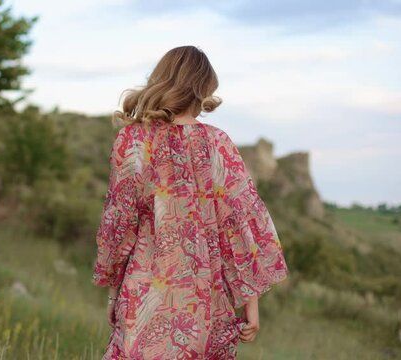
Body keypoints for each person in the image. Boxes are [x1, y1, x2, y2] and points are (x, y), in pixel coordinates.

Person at [91, 45, 289, 359]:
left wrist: (114, 295)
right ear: (203, 89)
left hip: (143, 295)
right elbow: (242, 226)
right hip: (204, 301)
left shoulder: (133, 141)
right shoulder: (218, 144)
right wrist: (251, 303)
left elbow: (119, 223)